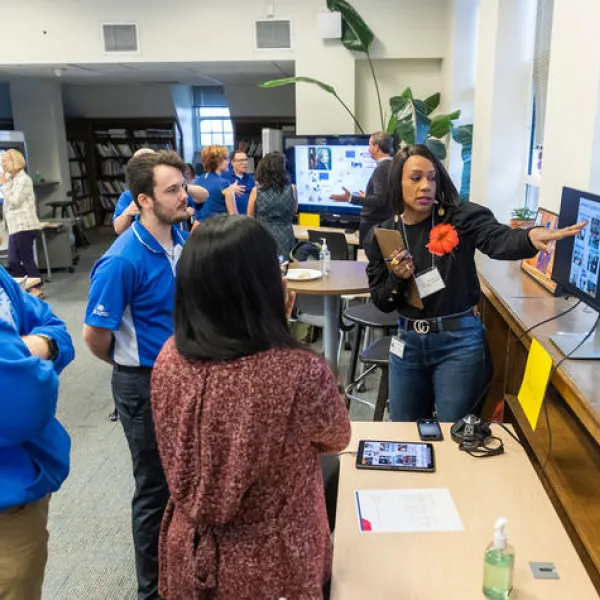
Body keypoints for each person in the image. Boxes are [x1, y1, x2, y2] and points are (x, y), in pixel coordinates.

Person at [151, 215, 351, 599]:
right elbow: (336, 437)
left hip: (188, 550)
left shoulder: (169, 359)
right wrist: (281, 325)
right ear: (264, 287)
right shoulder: (298, 372)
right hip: (272, 563)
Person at [363, 144, 586, 422]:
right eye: (416, 178)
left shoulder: (460, 217)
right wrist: (398, 277)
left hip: (459, 343)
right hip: (407, 344)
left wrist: (529, 237)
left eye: (432, 178)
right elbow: (383, 302)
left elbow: (498, 239)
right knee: (406, 435)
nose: (425, 186)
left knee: (456, 436)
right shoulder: (383, 234)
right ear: (397, 182)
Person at [83, 150, 190, 600]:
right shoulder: (121, 260)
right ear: (143, 200)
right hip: (142, 382)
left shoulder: (179, 236)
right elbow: (94, 336)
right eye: (173, 190)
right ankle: (152, 591)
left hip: (181, 374)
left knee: (182, 483)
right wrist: (131, 366)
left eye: (183, 186)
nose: (185, 196)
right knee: (154, 490)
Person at [0, 264, 74, 599]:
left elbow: (56, 330)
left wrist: (33, 347)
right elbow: (24, 403)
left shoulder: (2, 281)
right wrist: (31, 351)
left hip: (22, 494)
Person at [113, 149, 207, 235]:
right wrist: (127, 213)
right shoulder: (127, 196)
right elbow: (118, 229)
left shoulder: (180, 192)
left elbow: (203, 196)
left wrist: (178, 186)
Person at [331, 132, 394, 247]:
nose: (368, 148)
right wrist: (368, 195)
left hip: (373, 225)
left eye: (369, 145)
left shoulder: (381, 168)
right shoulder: (392, 165)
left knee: (366, 261)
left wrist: (350, 198)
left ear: (376, 148)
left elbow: (379, 200)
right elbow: (385, 196)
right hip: (383, 223)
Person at [0, 149, 45, 298]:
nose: (2, 163)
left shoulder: (24, 179)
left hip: (25, 226)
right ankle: (28, 286)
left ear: (15, 161)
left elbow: (14, 201)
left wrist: (5, 184)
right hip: (14, 228)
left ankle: (36, 288)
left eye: (5, 160)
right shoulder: (13, 180)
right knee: (12, 260)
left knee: (26, 258)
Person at [247, 151, 297, 259]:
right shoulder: (292, 189)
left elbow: (250, 218)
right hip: (286, 236)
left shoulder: (256, 191)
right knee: (286, 269)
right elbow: (294, 211)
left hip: (262, 236)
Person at [195, 145, 237, 221]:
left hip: (200, 229)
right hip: (218, 229)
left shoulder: (198, 180)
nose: (228, 162)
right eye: (226, 158)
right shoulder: (224, 184)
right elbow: (234, 217)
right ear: (217, 160)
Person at [221, 149, 255, 214]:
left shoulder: (250, 179)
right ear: (233, 163)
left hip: (248, 219)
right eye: (241, 160)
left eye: (246, 160)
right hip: (230, 219)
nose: (245, 163)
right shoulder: (224, 177)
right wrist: (230, 190)